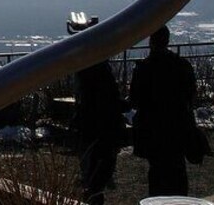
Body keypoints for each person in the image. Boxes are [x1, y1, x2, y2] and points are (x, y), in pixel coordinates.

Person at [129, 25, 197, 197]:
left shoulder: (144, 68)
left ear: (151, 41)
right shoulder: (182, 65)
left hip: (153, 129)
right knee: (178, 170)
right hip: (178, 126)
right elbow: (191, 95)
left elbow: (135, 100)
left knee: (157, 172)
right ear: (167, 41)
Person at [68, 13, 126, 205]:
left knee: (92, 172)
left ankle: (93, 195)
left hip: (91, 124)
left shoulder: (84, 69)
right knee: (99, 171)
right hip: (104, 124)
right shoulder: (101, 70)